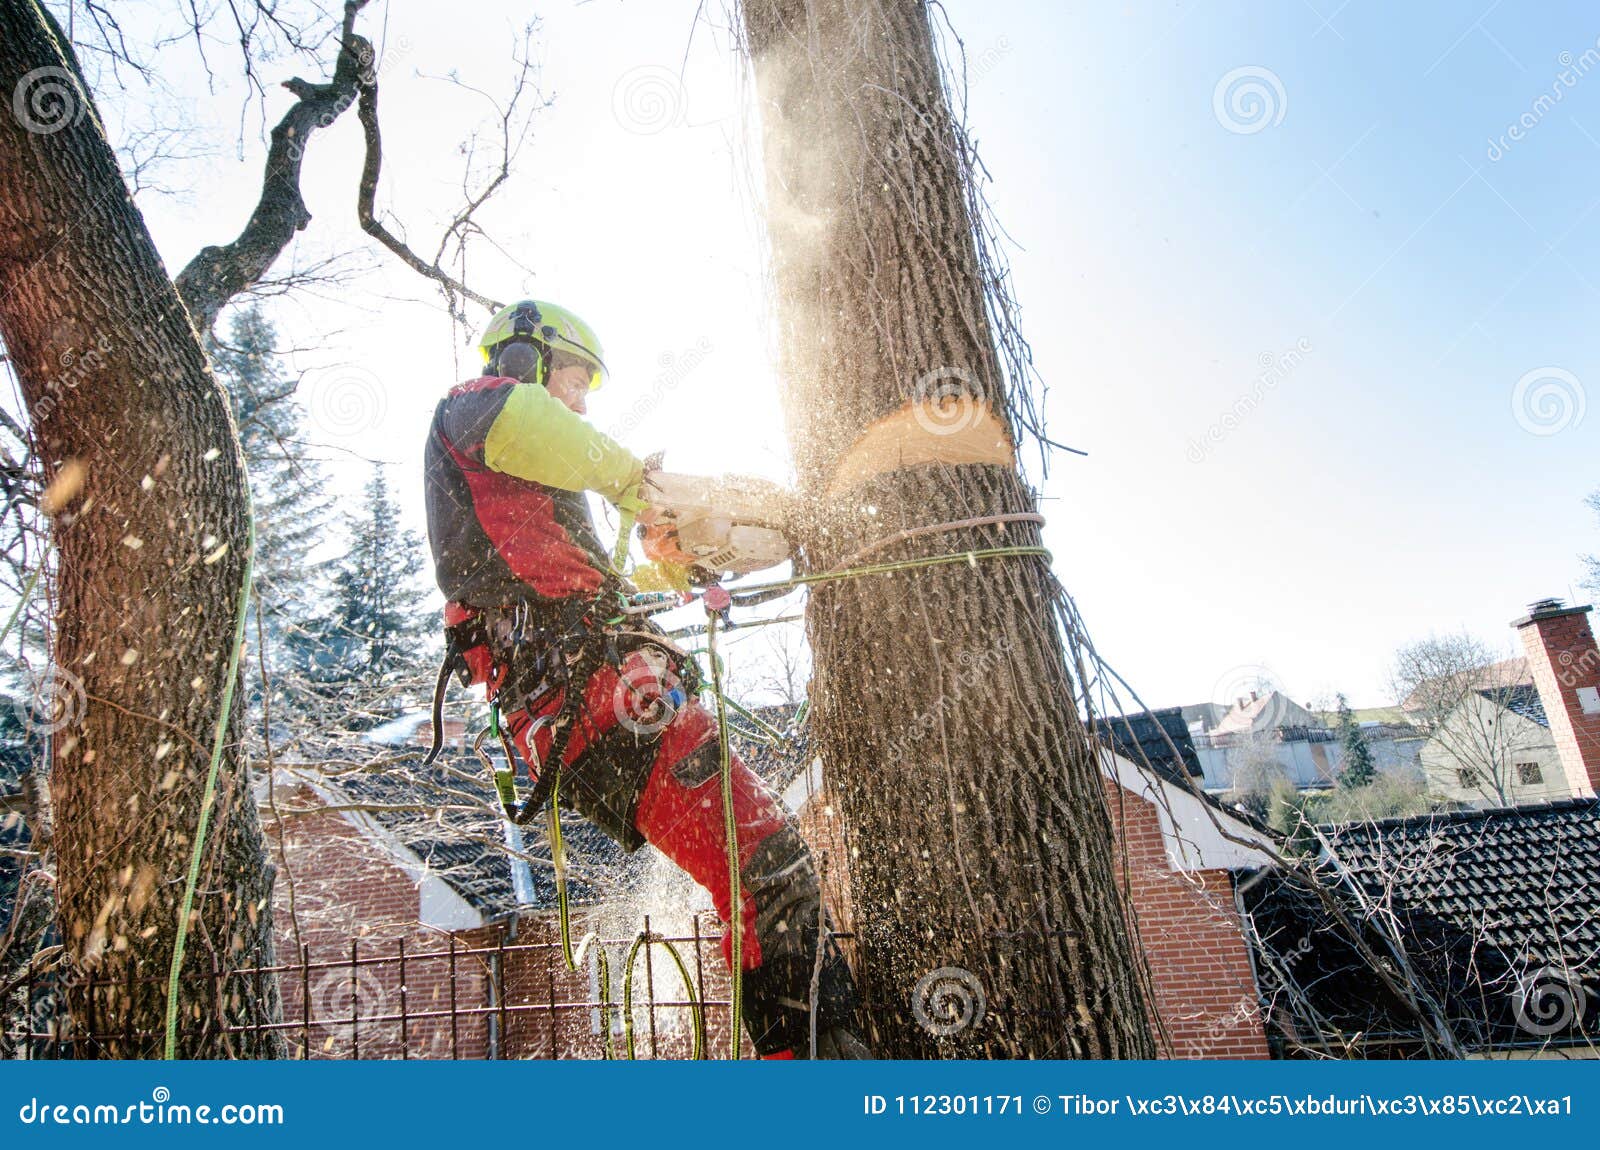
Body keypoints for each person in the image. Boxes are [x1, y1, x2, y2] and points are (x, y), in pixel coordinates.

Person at [423, 299, 868, 1058]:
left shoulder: (530, 496)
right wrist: (640, 484)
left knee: (761, 876)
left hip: (594, 701)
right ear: (526, 358)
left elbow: (590, 586)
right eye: (574, 377)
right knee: (770, 872)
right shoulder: (477, 410)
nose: (582, 398)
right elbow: (556, 437)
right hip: (597, 702)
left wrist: (681, 563)